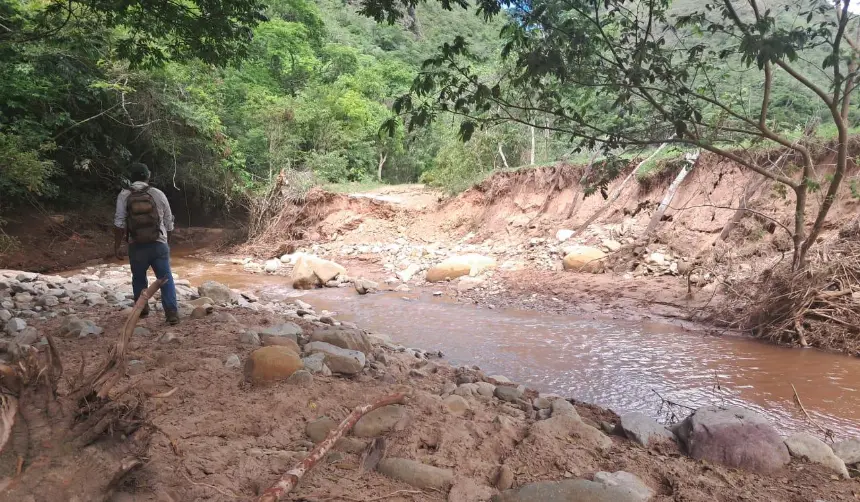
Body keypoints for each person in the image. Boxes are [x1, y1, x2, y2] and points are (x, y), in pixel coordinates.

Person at [113, 162, 180, 325]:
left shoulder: (124, 195)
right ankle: (171, 314)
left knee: (138, 278)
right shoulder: (158, 193)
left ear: (131, 177)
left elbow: (119, 223)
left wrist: (116, 246)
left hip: (136, 245)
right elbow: (169, 221)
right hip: (159, 244)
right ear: (148, 176)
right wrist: (167, 242)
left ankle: (142, 310)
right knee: (165, 278)